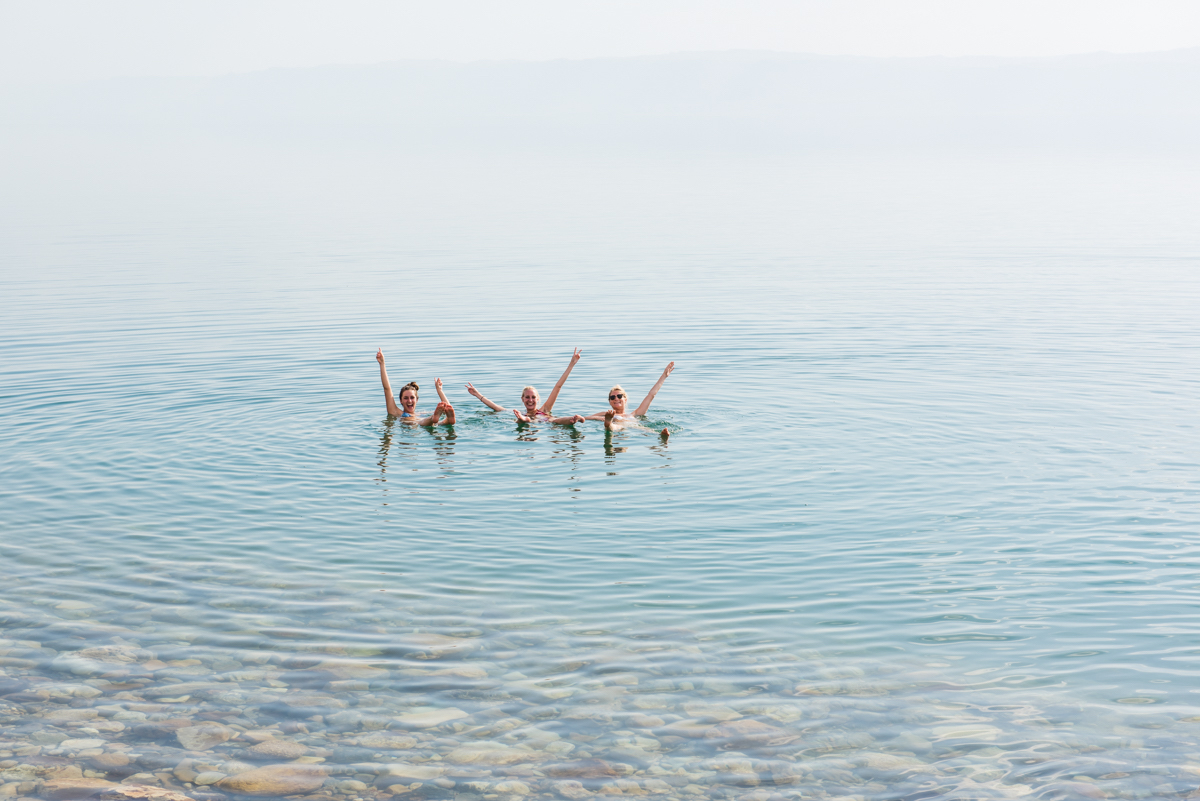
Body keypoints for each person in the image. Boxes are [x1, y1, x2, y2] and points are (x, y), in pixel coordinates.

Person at [465, 348, 586, 425]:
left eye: (533, 397)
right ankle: (524, 421)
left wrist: (572, 364)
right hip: (530, 423)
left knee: (554, 420)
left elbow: (558, 387)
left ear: (537, 399)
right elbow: (495, 407)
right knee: (540, 420)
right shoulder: (518, 412)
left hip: (543, 423)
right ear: (522, 399)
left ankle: (574, 419)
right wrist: (477, 394)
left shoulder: (544, 410)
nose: (530, 400)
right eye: (527, 397)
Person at [586, 362, 674, 438]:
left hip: (633, 428)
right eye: (612, 397)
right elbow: (588, 418)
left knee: (643, 429)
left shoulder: (635, 414)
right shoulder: (607, 413)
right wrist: (577, 418)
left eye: (619, 396)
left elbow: (651, 395)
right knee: (616, 426)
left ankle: (660, 435)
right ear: (610, 401)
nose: (616, 398)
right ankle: (608, 424)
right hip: (616, 426)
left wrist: (664, 376)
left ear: (625, 399)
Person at [376, 349, 455, 425]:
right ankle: (433, 419)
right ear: (401, 401)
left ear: (417, 400)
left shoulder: (421, 414)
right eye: (406, 398)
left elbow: (448, 408)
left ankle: (447, 420)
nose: (409, 401)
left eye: (412, 397)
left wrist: (439, 390)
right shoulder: (396, 412)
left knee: (439, 422)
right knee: (424, 422)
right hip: (418, 425)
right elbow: (387, 389)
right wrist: (382, 364)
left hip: (425, 424)